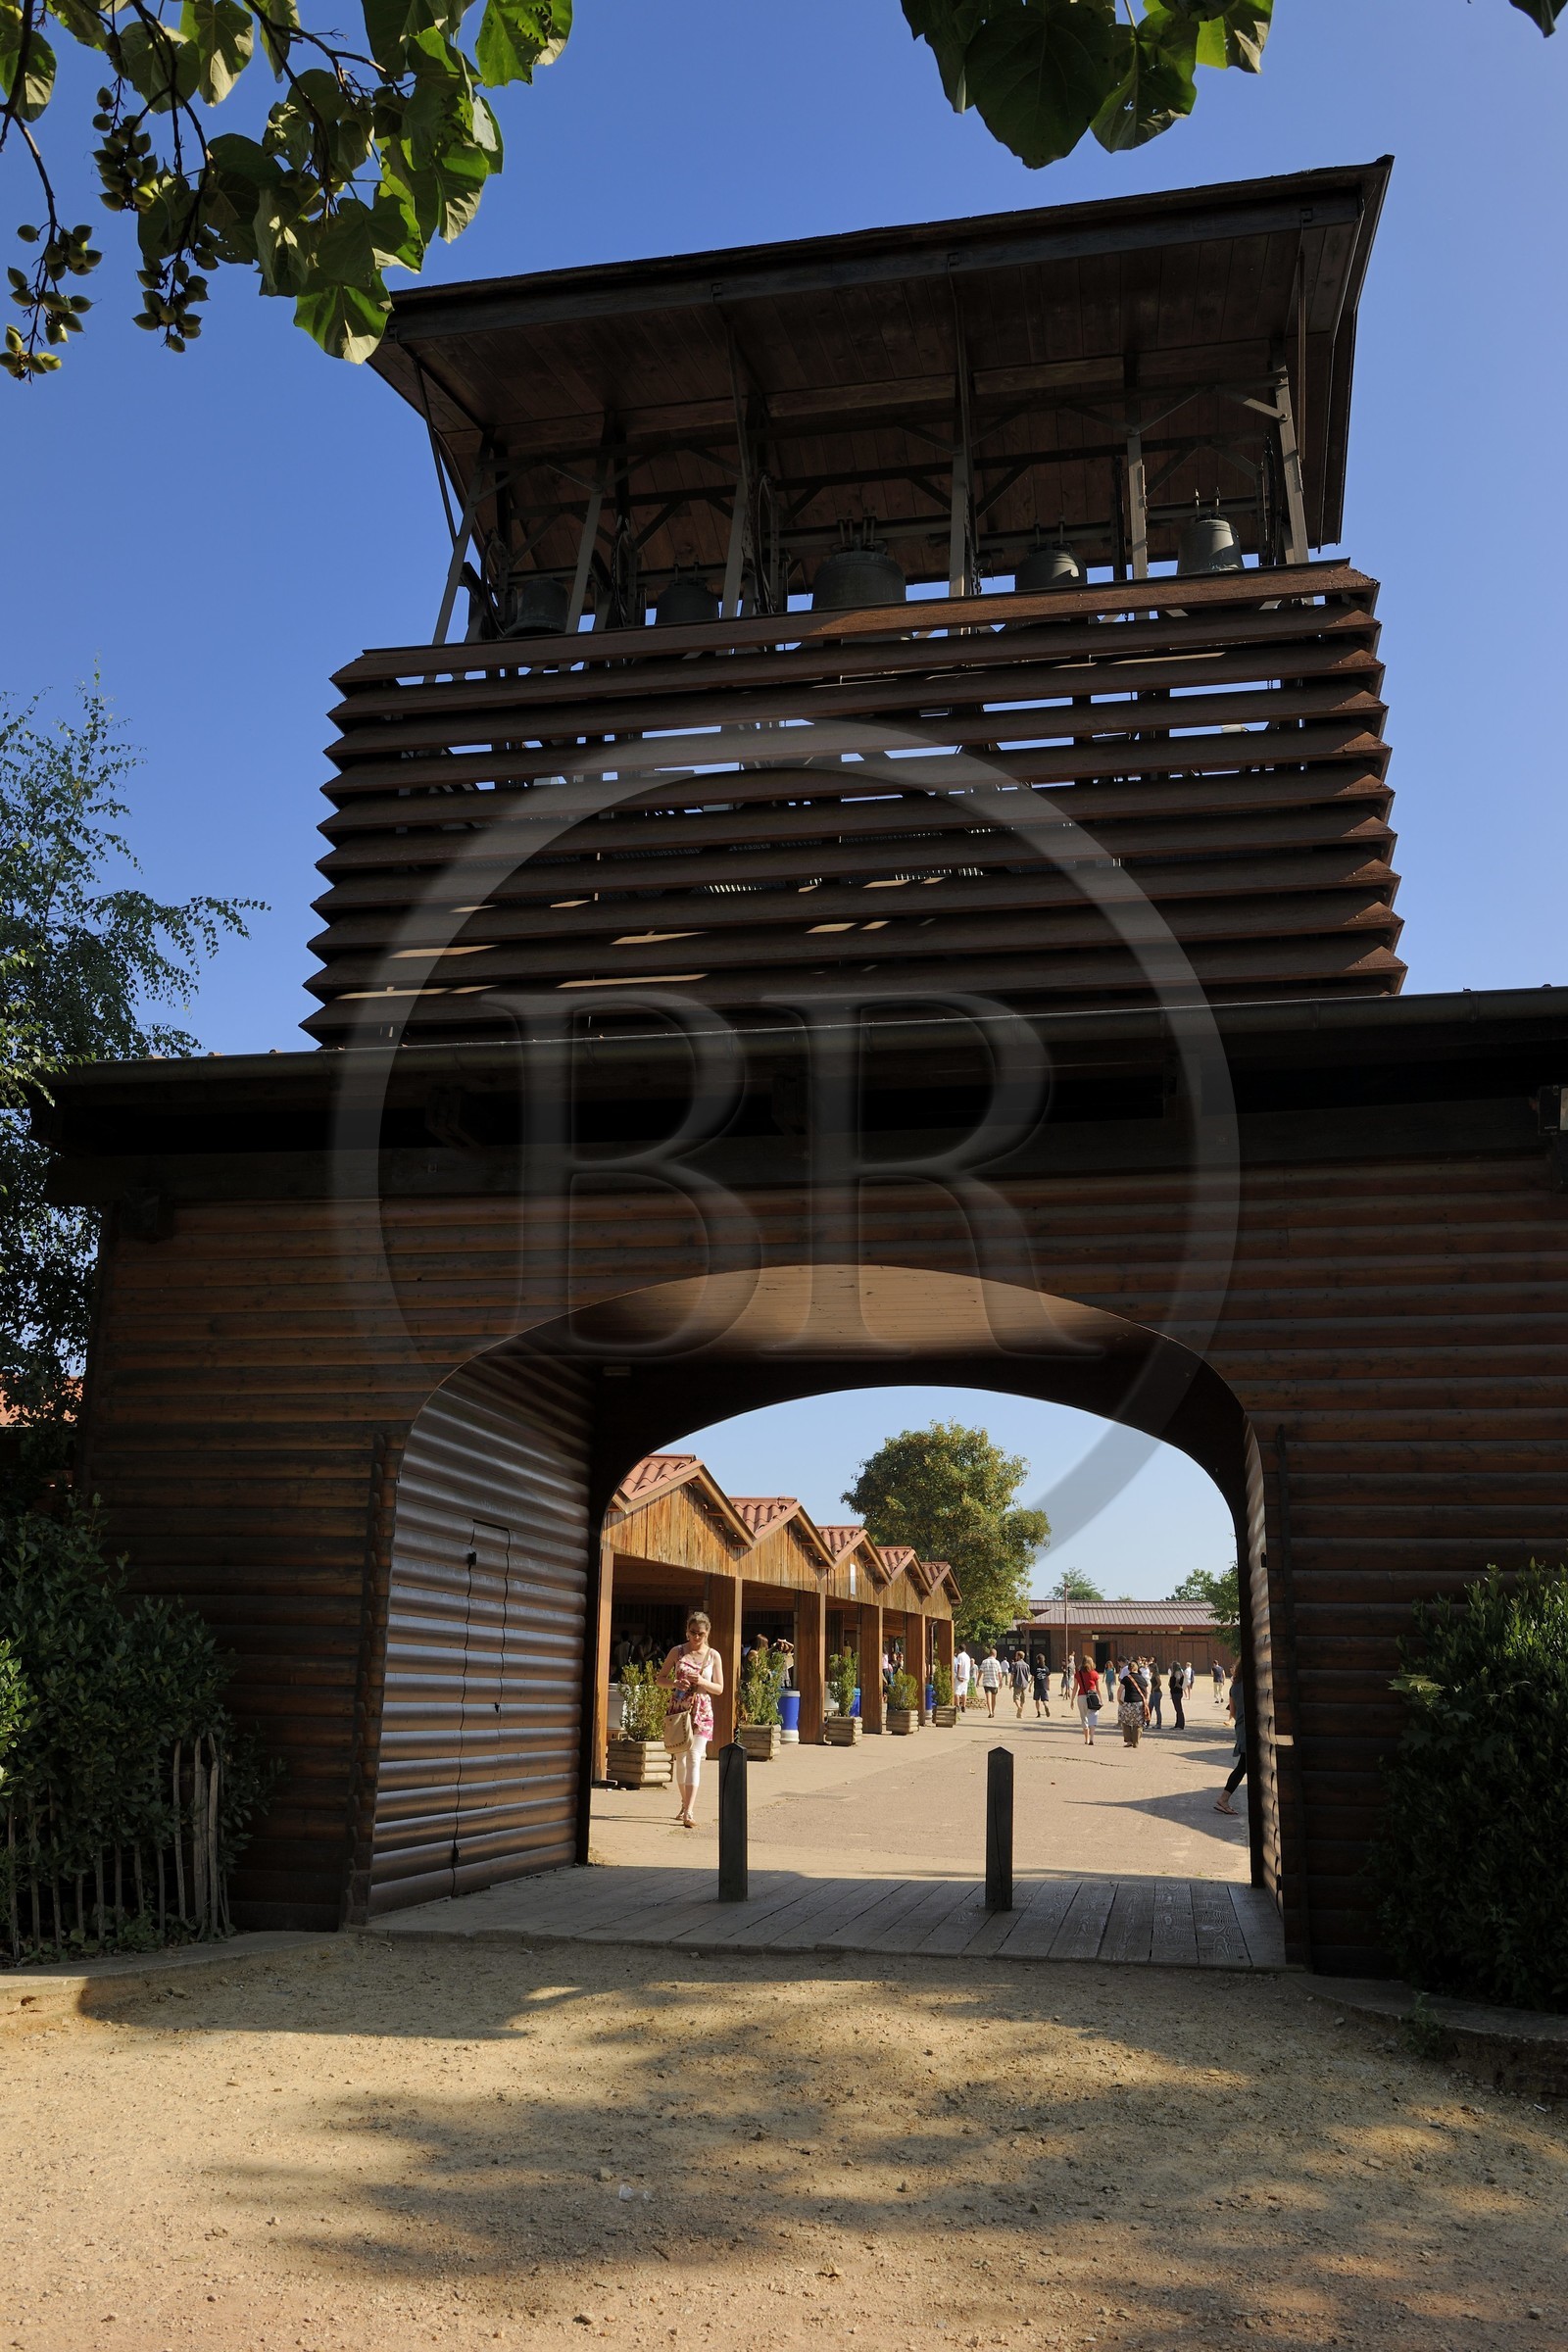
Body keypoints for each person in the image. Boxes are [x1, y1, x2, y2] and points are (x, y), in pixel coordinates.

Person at [659, 1610, 724, 1831]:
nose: (696, 1638)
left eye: (701, 1634)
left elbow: (720, 1688)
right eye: (693, 1633)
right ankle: (684, 1803)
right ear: (687, 1631)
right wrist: (676, 1683)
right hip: (679, 1709)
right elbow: (660, 1679)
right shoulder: (677, 1652)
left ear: (708, 1634)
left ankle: (689, 1810)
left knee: (695, 1757)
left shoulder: (713, 1655)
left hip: (702, 1711)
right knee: (681, 1758)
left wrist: (703, 1682)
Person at [1214, 1667, 1248, 1816]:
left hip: (1240, 1728)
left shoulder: (1234, 1687)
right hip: (1250, 1730)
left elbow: (1232, 1713)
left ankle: (1224, 1799)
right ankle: (1223, 1799)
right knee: (1243, 1766)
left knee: (1244, 1765)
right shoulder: (1252, 1685)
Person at [1117, 1664, 1148, 1748]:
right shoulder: (1142, 1678)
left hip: (1128, 1703)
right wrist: (1146, 1701)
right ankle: (1136, 1742)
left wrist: (1119, 1699)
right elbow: (1145, 1691)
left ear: (1129, 1669)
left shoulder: (1126, 1678)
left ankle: (1129, 1741)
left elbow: (1120, 1689)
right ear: (1136, 1668)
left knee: (1125, 1722)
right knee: (1138, 1723)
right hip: (1139, 1703)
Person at [1072, 1655, 1101, 1746]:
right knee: (1093, 1717)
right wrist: (1100, 1699)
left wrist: (1072, 1699)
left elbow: (1075, 1688)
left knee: (1084, 1718)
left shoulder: (1078, 1673)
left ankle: (1086, 1739)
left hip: (1081, 1696)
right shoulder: (1094, 1674)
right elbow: (1098, 1689)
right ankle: (1092, 1737)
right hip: (1092, 1696)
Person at [978, 1645, 1004, 1719]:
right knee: (993, 1698)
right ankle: (993, 1710)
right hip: (994, 1682)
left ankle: (990, 1712)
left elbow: (980, 1671)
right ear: (995, 1654)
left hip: (986, 1682)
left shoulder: (984, 1661)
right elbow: (999, 1673)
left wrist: (978, 1680)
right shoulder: (997, 1662)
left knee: (988, 1698)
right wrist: (1001, 1681)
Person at [1167, 1659, 1186, 1732]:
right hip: (1175, 1692)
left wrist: (1176, 1684)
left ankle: (1180, 1724)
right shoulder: (1175, 1672)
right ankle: (1178, 1724)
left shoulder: (1177, 1672)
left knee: (1178, 1709)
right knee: (1177, 1709)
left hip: (1176, 1692)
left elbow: (1178, 1679)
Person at [1032, 1654, 1053, 1719]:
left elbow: (1032, 1677)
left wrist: (1030, 1686)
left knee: (1037, 1700)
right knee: (1045, 1700)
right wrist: (1048, 1686)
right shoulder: (1046, 1668)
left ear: (1038, 1660)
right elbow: (1048, 1678)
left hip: (1037, 1686)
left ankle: (1038, 1712)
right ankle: (1046, 1706)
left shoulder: (1035, 1668)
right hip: (1044, 1686)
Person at [1009, 1650, 1030, 1718]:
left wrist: (1010, 1682)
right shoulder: (1027, 1665)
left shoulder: (1015, 1664)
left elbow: (1013, 1674)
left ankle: (1019, 1707)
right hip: (1024, 1684)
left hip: (1017, 1682)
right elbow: (1028, 1675)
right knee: (1022, 1699)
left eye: (1016, 1655)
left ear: (1018, 1656)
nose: (1015, 1657)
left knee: (1016, 1697)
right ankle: (1019, 1714)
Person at [1146, 1659, 1162, 1730]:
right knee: (1149, 1708)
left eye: (1150, 1668)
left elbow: (1159, 1683)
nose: (1149, 1669)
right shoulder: (1153, 1674)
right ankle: (1147, 1722)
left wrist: (1154, 1689)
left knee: (1157, 1708)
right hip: (1153, 1693)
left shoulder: (1156, 1674)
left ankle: (1159, 1724)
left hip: (1157, 1693)